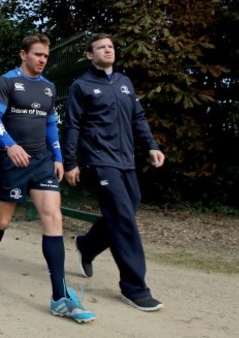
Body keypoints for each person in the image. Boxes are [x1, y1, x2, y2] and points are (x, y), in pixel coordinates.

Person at [0, 34, 95, 323]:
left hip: (42, 161)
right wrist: (10, 144)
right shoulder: (7, 81)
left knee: (53, 218)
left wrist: (58, 157)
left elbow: (49, 123)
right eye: (38, 55)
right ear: (24, 54)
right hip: (12, 160)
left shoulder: (48, 88)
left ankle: (60, 297)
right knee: (2, 221)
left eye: (46, 55)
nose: (43, 60)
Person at [63, 33, 165, 312]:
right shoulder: (81, 86)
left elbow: (138, 117)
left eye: (110, 46)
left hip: (125, 160)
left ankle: (87, 245)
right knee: (123, 219)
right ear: (89, 55)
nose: (108, 50)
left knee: (127, 210)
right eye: (101, 47)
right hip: (98, 160)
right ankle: (134, 288)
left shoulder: (124, 83)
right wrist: (71, 162)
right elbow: (71, 125)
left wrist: (151, 146)